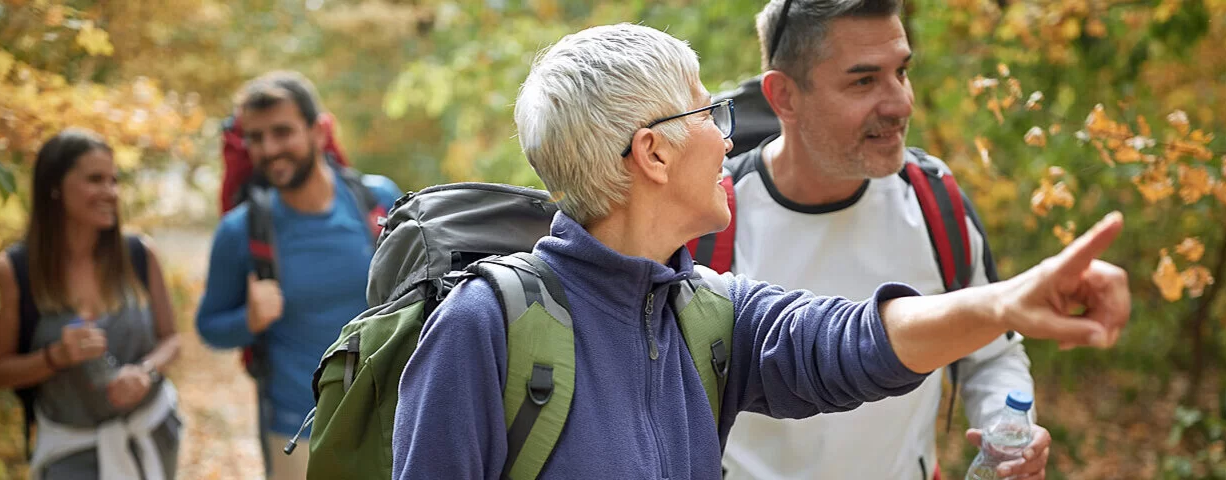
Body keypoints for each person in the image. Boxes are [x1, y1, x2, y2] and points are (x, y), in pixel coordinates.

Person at [390, 23, 1129, 478]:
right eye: (707, 109)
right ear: (651, 152)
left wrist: (1007, 302)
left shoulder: (707, 312)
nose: (727, 131)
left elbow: (854, 342)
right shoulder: (482, 329)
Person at [715, 1, 1048, 479]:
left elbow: (991, 353)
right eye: (864, 81)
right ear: (784, 96)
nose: (900, 103)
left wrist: (1008, 428)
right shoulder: (711, 221)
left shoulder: (935, 204)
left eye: (902, 72)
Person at [195, 71, 403, 480]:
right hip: (295, 429)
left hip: (385, 416)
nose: (269, 149)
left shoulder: (377, 201)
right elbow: (209, 327)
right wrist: (248, 321)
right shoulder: (242, 231)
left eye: (282, 132)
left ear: (319, 131)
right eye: (255, 137)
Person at [0, 128, 183, 479]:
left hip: (152, 438)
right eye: (95, 180)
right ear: (54, 187)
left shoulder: (138, 254)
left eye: (114, 181)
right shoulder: (11, 271)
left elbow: (172, 340)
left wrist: (145, 372)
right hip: (69, 452)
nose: (111, 192)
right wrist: (54, 357)